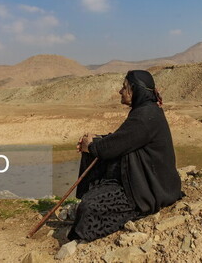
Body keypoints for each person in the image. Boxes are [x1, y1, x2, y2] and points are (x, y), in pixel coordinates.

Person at [68, 70, 182, 242]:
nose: (120, 91)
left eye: (124, 87)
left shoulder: (144, 116)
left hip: (150, 190)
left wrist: (91, 146)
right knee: (93, 152)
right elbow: (123, 139)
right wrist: (94, 142)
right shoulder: (145, 111)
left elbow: (113, 146)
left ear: (134, 90)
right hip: (142, 181)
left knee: (89, 207)